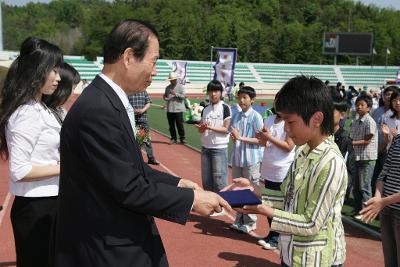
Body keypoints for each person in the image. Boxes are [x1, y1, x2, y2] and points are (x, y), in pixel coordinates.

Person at [53, 19, 231, 267]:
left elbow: (130, 168)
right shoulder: (99, 110)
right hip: (106, 248)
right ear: (128, 57)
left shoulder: (108, 101)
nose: (156, 70)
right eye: (154, 60)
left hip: (115, 239)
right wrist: (191, 199)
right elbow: (129, 187)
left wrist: (178, 182)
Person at [224, 76, 348, 267]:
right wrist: (256, 191)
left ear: (317, 119)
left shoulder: (330, 163)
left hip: (317, 259)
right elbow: (287, 197)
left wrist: (263, 209)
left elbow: (311, 223)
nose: (286, 130)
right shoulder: (303, 150)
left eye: (290, 122)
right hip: (293, 253)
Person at [0, 37, 63, 267]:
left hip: (49, 203)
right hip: (36, 208)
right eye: (52, 70)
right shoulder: (26, 112)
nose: (58, 77)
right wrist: (68, 167)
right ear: (37, 70)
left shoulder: (41, 108)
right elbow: (20, 169)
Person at [255, 106, 295, 250]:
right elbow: (265, 143)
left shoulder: (289, 121)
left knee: (279, 206)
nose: (279, 105)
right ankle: (272, 234)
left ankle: (277, 238)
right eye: (278, 102)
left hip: (282, 169)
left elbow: (289, 146)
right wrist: (261, 138)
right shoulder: (270, 119)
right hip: (268, 166)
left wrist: (269, 137)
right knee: (269, 203)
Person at [360, 134, 400, 267]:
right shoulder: (397, 139)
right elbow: (384, 172)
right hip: (386, 210)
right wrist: (378, 197)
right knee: (390, 261)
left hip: (392, 208)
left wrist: (382, 202)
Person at [229, 86, 263, 234]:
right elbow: (233, 134)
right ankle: (239, 219)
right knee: (238, 190)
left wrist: (240, 137)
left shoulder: (256, 116)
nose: (242, 100)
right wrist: (235, 137)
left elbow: (261, 140)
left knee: (250, 190)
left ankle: (250, 221)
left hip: (251, 159)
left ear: (252, 100)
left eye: (245, 97)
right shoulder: (236, 115)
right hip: (237, 158)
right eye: (240, 97)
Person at [196, 80, 231, 192]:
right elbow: (202, 130)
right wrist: (201, 128)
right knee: (206, 181)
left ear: (221, 92)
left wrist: (210, 127)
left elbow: (226, 129)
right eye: (211, 91)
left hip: (219, 149)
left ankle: (222, 207)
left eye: (216, 91)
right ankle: (211, 206)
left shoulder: (225, 108)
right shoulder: (205, 109)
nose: (213, 94)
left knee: (220, 182)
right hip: (205, 148)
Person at [350, 94, 378, 218]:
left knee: (364, 186)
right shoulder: (356, 121)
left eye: (362, 105)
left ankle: (367, 213)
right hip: (357, 156)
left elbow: (367, 140)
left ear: (369, 108)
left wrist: (351, 143)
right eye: (357, 105)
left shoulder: (369, 121)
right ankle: (357, 210)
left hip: (367, 158)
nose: (359, 107)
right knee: (356, 186)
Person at [371, 86, 397, 195]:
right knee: (374, 177)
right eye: (387, 94)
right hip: (374, 149)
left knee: (386, 178)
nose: (388, 97)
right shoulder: (377, 111)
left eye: (391, 95)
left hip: (389, 151)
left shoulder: (396, 113)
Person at [332, 97, 356, 202]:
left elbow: (349, 167)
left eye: (331, 111)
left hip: (336, 185)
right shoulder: (319, 134)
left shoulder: (345, 138)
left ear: (342, 115)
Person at [128, 90, 160, 165]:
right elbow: (125, 104)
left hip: (142, 120)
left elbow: (148, 102)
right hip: (131, 120)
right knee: (133, 140)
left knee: (146, 140)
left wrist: (142, 110)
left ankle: (151, 158)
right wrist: (133, 110)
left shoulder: (143, 91)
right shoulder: (128, 92)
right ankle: (135, 159)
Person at [163, 71, 186, 144]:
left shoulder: (180, 86)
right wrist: (165, 98)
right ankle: (173, 138)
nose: (172, 80)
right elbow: (167, 97)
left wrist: (175, 93)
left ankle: (182, 138)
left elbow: (183, 97)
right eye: (171, 79)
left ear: (176, 79)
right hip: (170, 109)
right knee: (171, 125)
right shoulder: (167, 88)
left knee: (180, 125)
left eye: (173, 79)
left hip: (178, 109)